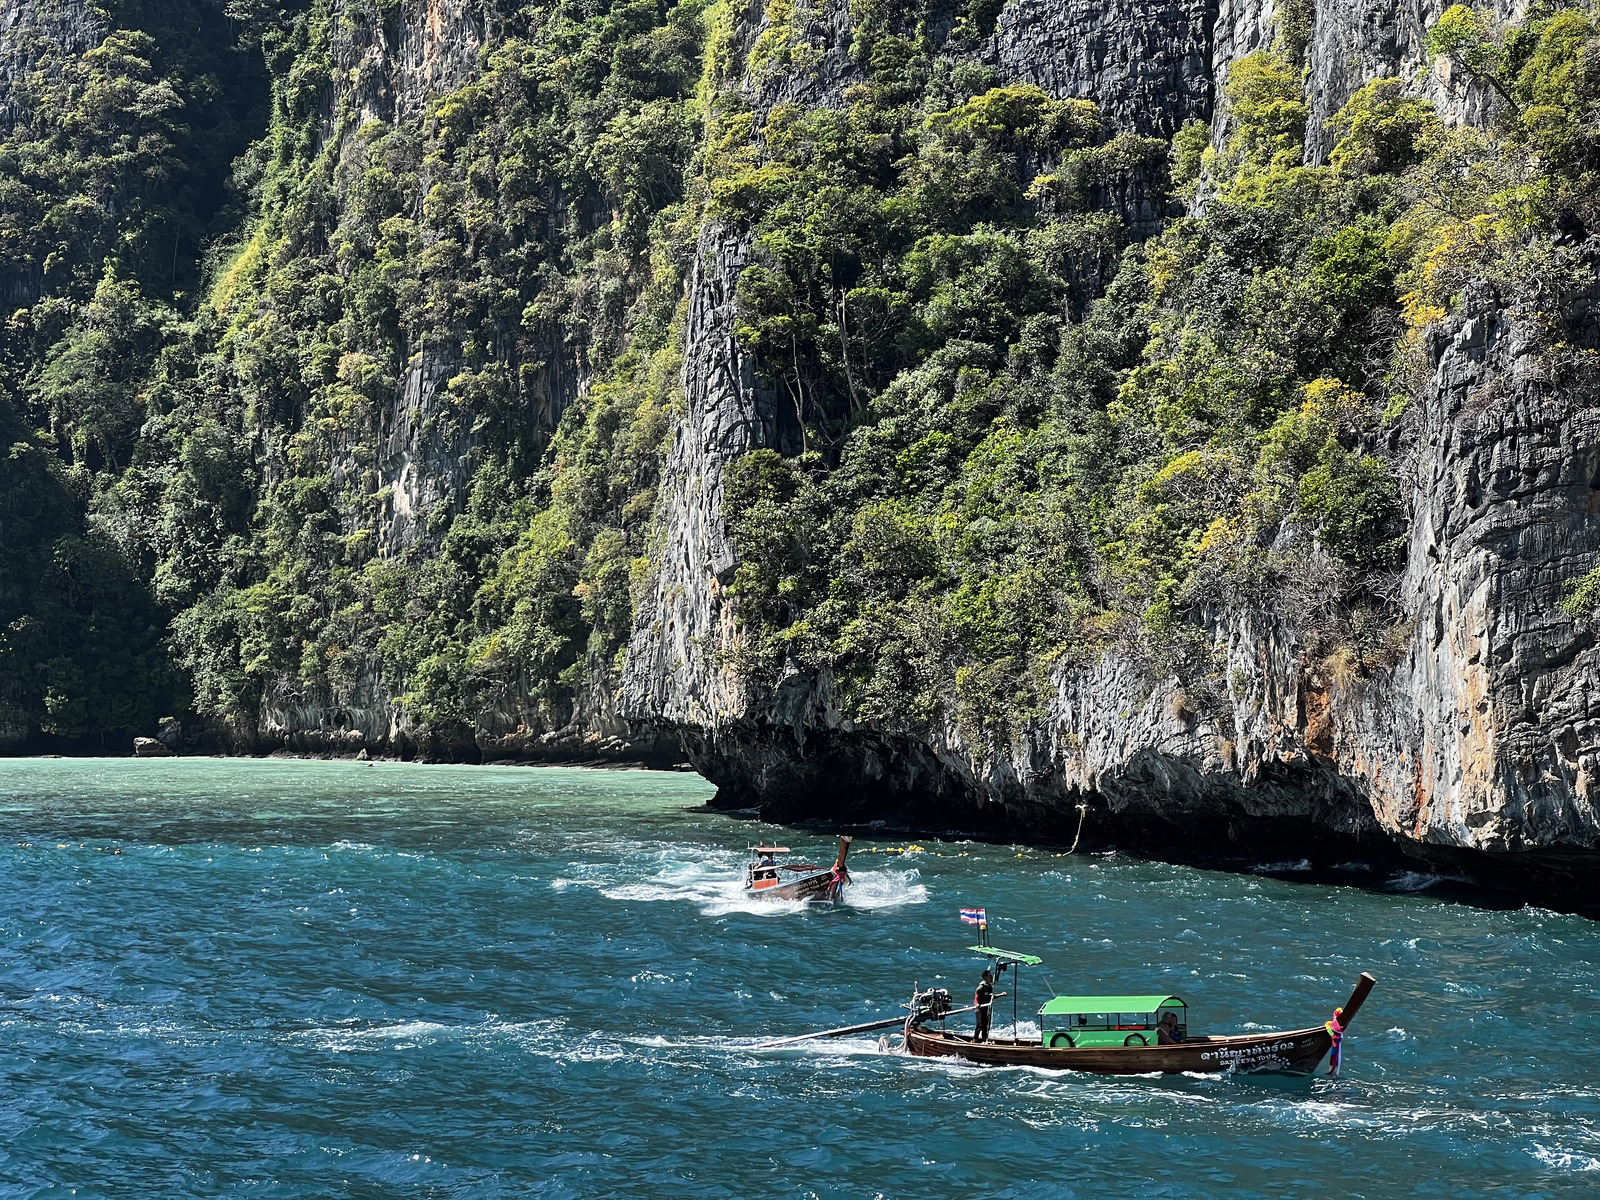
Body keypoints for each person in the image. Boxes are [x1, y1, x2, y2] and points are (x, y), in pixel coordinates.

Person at [973, 969, 994, 1041]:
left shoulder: (990, 987)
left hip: (986, 1009)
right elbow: (976, 997)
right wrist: (977, 1004)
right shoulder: (981, 987)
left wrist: (1001, 995)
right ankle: (975, 1040)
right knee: (980, 1025)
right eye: (989, 976)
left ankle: (984, 1039)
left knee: (985, 1025)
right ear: (985, 977)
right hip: (980, 1009)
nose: (991, 978)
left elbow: (991, 997)